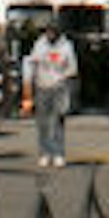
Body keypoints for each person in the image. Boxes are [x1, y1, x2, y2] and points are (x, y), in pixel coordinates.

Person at [24, 24, 78, 169]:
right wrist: (28, 84)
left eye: (53, 33)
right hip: (42, 86)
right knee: (43, 122)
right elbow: (32, 63)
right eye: (48, 33)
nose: (50, 36)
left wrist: (63, 78)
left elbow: (72, 68)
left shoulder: (66, 46)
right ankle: (44, 153)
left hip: (59, 87)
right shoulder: (39, 44)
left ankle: (59, 153)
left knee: (58, 120)